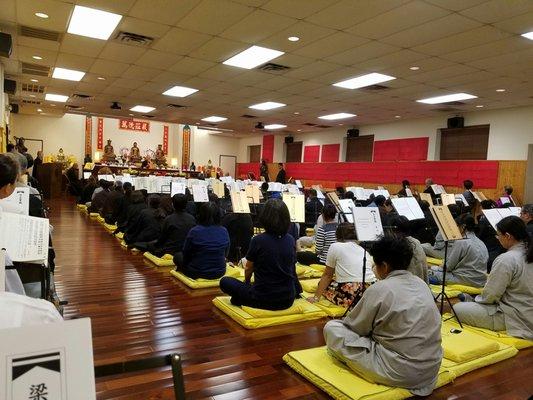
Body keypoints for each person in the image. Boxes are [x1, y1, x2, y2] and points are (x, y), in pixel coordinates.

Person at [323, 235, 442, 396]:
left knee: (332, 328)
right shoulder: (421, 284)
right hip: (431, 369)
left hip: (401, 372)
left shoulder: (380, 289)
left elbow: (355, 327)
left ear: (384, 266)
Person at [454, 216, 533, 340]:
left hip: (514, 317)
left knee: (457, 308)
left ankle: (470, 300)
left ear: (508, 236)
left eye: (498, 235)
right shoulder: (526, 253)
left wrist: (476, 301)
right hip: (527, 312)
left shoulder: (507, 259)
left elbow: (491, 296)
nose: (498, 239)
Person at [220, 199, 302, 310]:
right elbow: (292, 269)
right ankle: (241, 299)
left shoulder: (258, 240)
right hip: (287, 299)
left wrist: (247, 283)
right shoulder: (291, 239)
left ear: (265, 217)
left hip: (263, 298)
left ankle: (241, 299)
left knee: (225, 282)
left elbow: (248, 268)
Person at [307, 223, 375, 307]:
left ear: (337, 235)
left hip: (352, 292)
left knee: (322, 284)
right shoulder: (363, 250)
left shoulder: (335, 246)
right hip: (372, 289)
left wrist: (316, 298)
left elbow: (327, 275)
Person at [428, 214, 489, 287]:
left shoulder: (461, 242)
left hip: (465, 280)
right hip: (481, 280)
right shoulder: (481, 242)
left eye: (457, 226)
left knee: (429, 274)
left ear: (463, 227)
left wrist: (433, 268)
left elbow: (448, 267)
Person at [173, 201, 229, 279]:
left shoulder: (195, 231)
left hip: (197, 272)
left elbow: (186, 253)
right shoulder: (224, 230)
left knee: (177, 256)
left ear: (201, 214)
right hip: (220, 272)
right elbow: (226, 253)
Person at [390, 215, 428, 283]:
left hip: (407, 284)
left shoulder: (397, 245)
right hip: (422, 284)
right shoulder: (416, 241)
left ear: (394, 230)